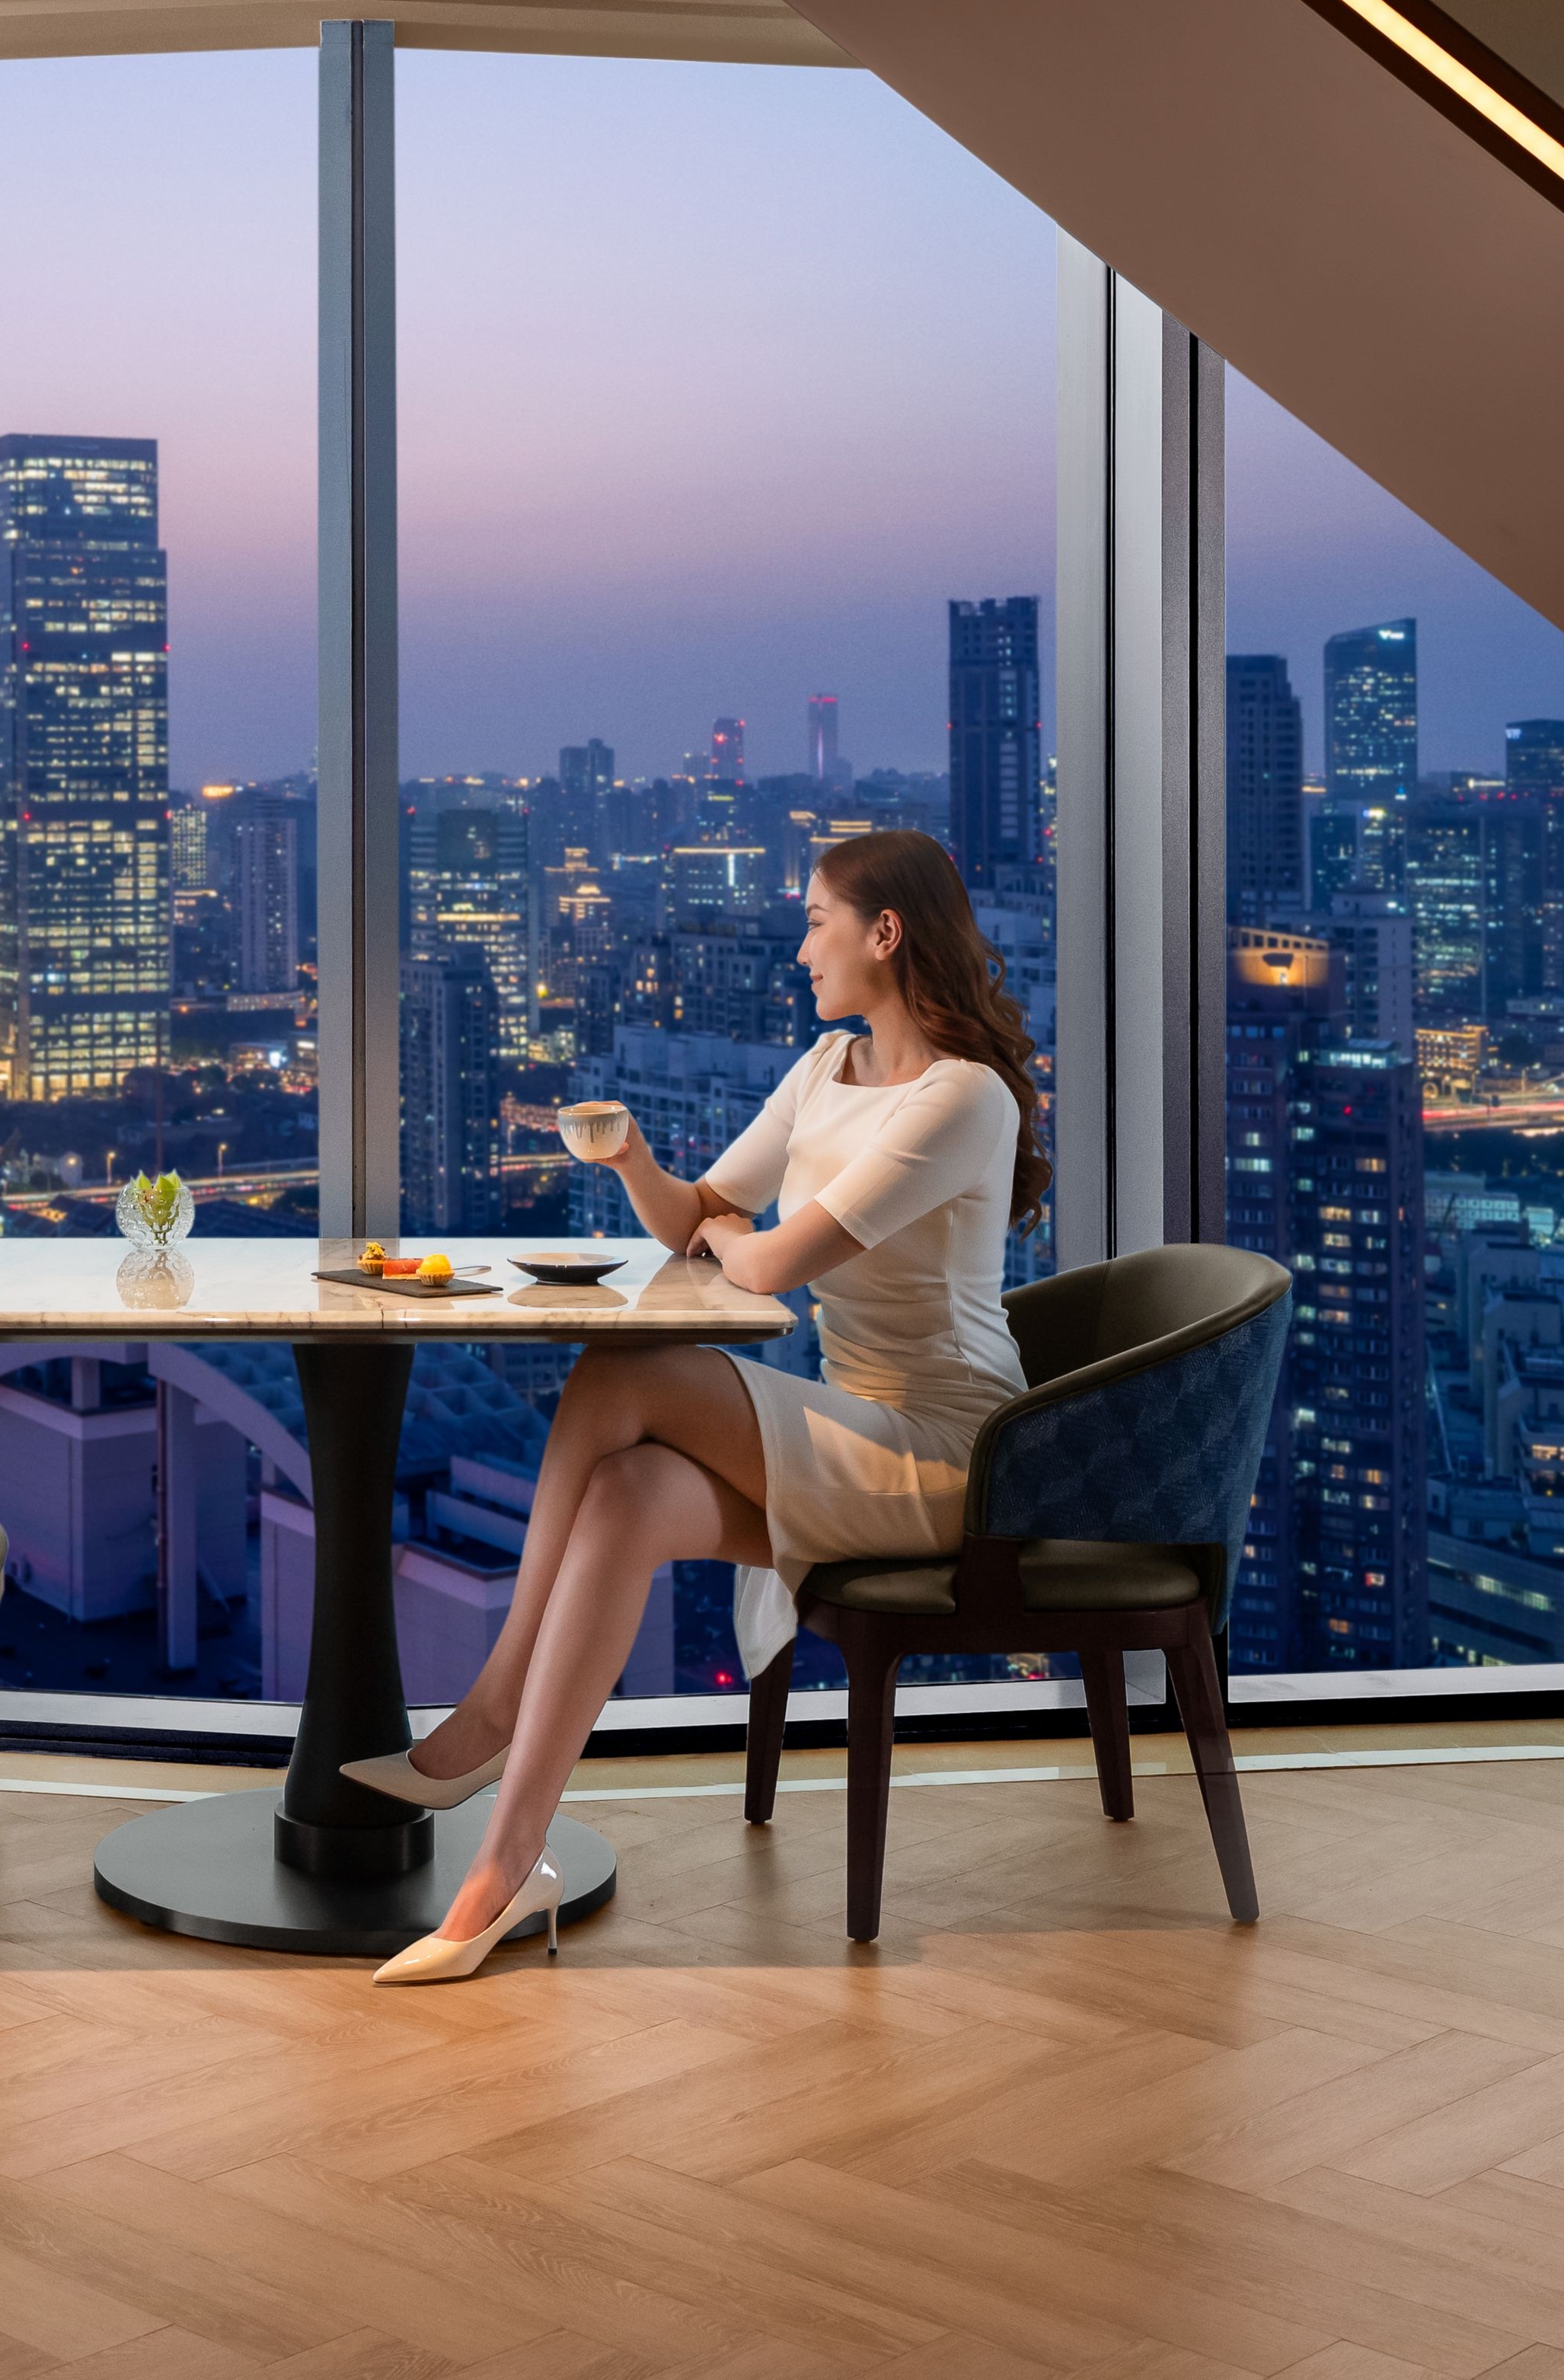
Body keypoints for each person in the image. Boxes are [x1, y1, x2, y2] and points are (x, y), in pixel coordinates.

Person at [348, 826, 1049, 1982]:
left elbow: (771, 1269)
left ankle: (489, 1707)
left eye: (819, 922)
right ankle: (506, 1866)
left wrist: (735, 1236)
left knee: (622, 1371)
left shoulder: (960, 1100)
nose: (801, 949)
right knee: (627, 1496)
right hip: (845, 1424)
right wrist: (632, 1160)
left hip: (949, 1458)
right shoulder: (826, 1070)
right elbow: (705, 1224)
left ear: (885, 934)